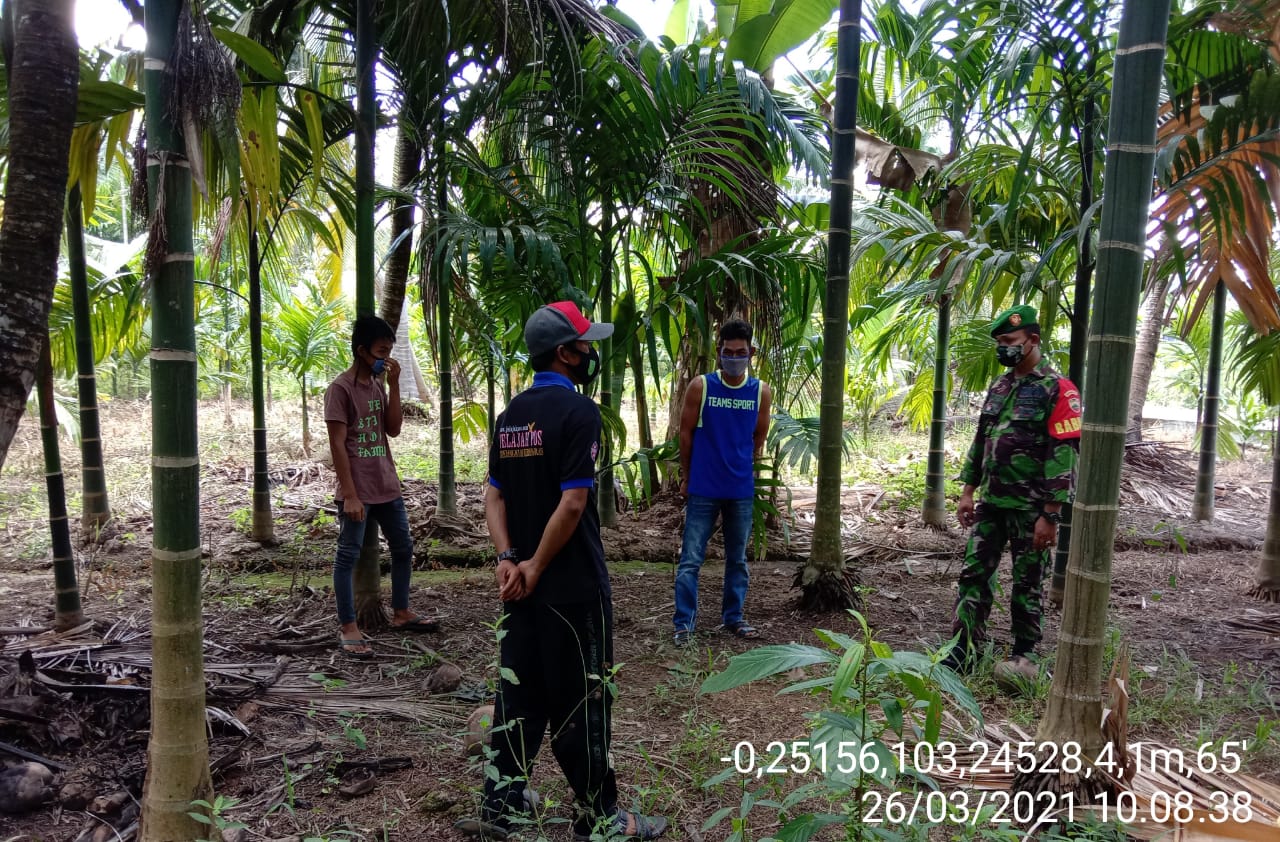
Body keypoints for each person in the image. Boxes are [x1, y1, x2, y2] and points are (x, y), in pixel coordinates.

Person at [458, 301, 667, 841]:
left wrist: (509, 560)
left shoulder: (510, 417)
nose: (590, 352)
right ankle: (601, 817)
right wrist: (536, 564)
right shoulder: (580, 414)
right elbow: (574, 504)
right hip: (571, 587)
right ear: (565, 353)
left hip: (519, 588)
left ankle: (499, 805)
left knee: (519, 697)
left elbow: (492, 496)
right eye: (584, 344)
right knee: (583, 701)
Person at [944, 304, 1082, 680]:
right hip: (992, 503)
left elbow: (1063, 453)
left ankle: (1025, 654)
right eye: (1000, 342)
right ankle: (964, 648)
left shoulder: (1058, 389)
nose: (1003, 348)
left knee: (1027, 581)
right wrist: (968, 492)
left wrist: (1051, 514)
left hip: (1030, 507)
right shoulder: (1000, 386)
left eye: (1009, 341)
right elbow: (982, 440)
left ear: (1032, 340)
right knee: (974, 574)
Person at [324, 315, 435, 660]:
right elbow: (337, 446)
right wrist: (351, 494)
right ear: (361, 351)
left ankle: (401, 612)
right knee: (347, 557)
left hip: (387, 485)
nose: (385, 358)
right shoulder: (339, 390)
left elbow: (394, 429)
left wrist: (395, 385)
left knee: (403, 548)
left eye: (388, 351)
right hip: (358, 491)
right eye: (380, 352)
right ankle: (348, 627)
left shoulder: (376, 385)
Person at [672, 319, 772, 646]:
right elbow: (685, 434)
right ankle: (684, 624)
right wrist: (687, 476)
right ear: (719, 352)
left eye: (740, 352)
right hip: (703, 486)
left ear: (751, 353)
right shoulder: (701, 387)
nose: (733, 357)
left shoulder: (760, 392)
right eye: (727, 352)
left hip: (740, 489)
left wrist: (743, 462)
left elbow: (759, 436)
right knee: (691, 559)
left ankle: (734, 617)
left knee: (737, 559)